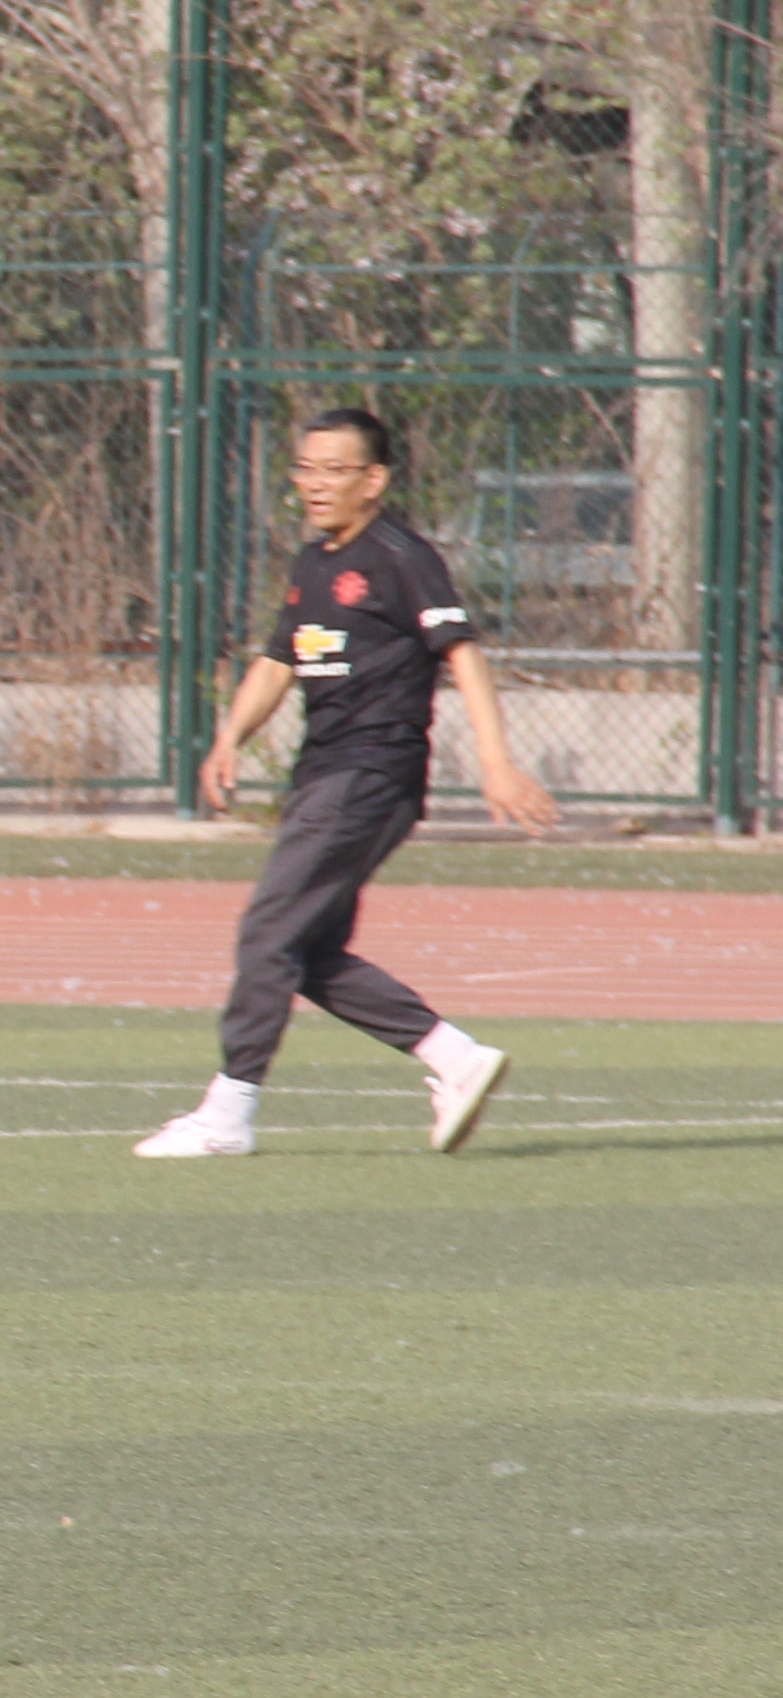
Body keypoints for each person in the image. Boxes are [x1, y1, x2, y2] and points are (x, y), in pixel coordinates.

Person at [137, 407, 560, 1159]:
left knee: (269, 929)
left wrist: (495, 763)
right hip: (325, 774)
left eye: (336, 470)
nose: (316, 484)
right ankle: (455, 1058)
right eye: (306, 469)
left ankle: (229, 1112)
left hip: (370, 772)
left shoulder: (401, 556)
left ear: (374, 481)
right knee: (305, 949)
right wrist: (230, 738)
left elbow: (462, 653)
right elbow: (279, 661)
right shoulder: (312, 563)